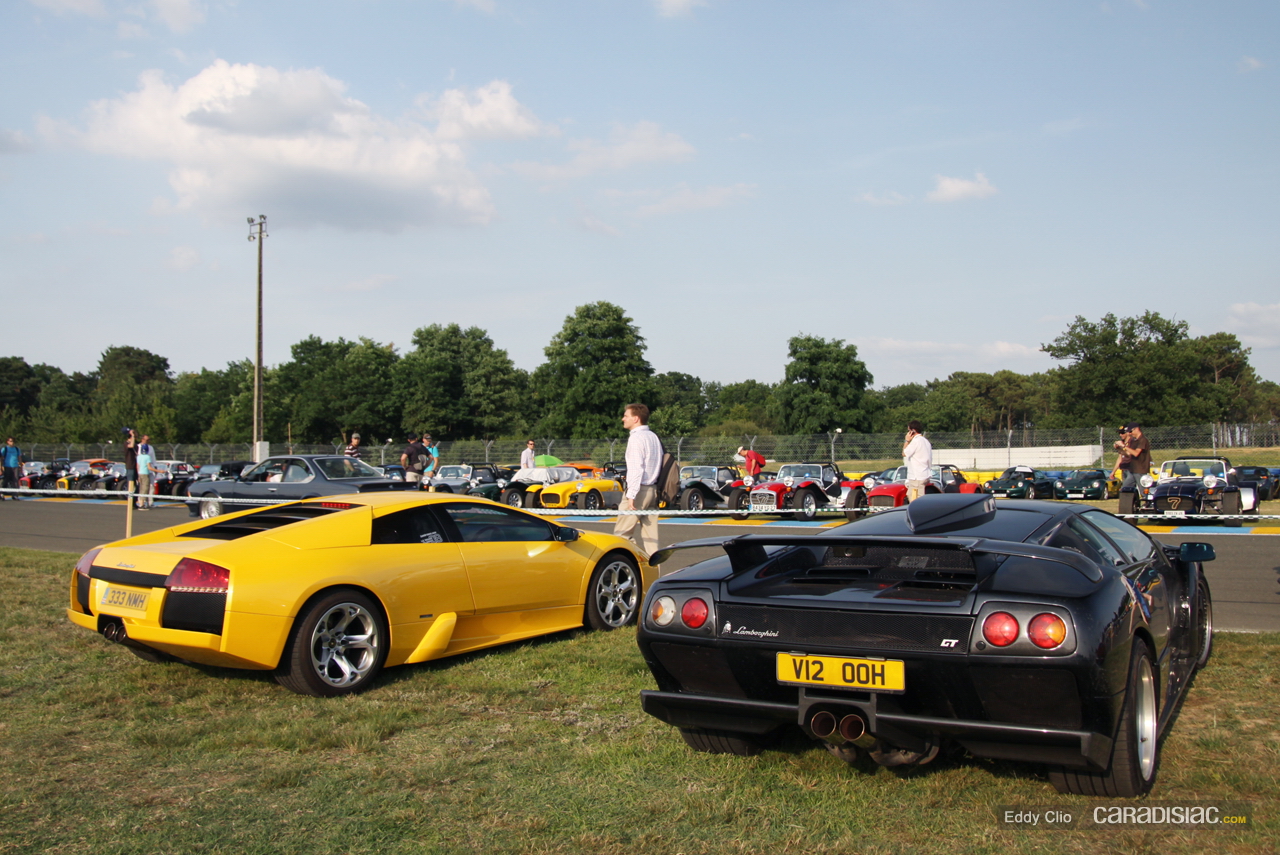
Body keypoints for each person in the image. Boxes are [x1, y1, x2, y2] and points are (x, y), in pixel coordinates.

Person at [614, 403, 662, 556]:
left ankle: (637, 565)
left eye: (626, 416)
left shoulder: (636, 439)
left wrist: (631, 494)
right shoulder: (653, 436)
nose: (623, 419)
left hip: (639, 490)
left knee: (622, 535)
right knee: (651, 540)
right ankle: (655, 572)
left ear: (635, 419)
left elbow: (636, 468)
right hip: (653, 489)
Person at [902, 420, 933, 503]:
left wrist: (907, 441)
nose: (908, 433)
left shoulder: (916, 441)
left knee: (916, 501)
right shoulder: (926, 441)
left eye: (909, 431)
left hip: (917, 476)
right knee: (910, 494)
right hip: (924, 473)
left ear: (913, 431)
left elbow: (904, 453)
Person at [1116, 422, 1151, 492]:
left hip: (1140, 470)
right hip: (1133, 470)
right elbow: (1128, 453)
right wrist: (1119, 448)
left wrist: (1124, 446)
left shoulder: (1143, 440)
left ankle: (1148, 502)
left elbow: (1136, 453)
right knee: (1124, 489)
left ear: (1136, 429)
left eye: (1131, 431)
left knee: (1143, 491)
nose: (1130, 433)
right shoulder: (1135, 441)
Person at [136, 435, 157, 509]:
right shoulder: (137, 447)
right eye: (147, 440)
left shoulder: (150, 448)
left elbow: (153, 458)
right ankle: (141, 502)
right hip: (142, 471)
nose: (148, 441)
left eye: (149, 440)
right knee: (143, 487)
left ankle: (150, 502)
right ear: (142, 439)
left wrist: (155, 467)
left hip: (150, 470)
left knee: (151, 486)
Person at [123, 428, 138, 502]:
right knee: (131, 483)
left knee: (136, 484)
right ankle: (130, 501)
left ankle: (134, 500)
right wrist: (133, 435)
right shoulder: (126, 443)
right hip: (130, 466)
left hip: (136, 466)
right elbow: (131, 446)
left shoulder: (136, 444)